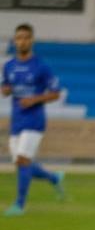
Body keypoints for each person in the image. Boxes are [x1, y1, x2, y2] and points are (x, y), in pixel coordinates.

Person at [2, 24, 66, 217]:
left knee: (23, 160)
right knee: (22, 164)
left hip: (34, 120)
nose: (22, 41)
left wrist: (35, 99)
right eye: (18, 38)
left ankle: (19, 205)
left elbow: (56, 93)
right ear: (15, 41)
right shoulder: (8, 66)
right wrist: (6, 90)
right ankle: (54, 178)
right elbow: (5, 87)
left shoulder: (41, 66)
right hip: (17, 120)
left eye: (25, 37)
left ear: (32, 40)